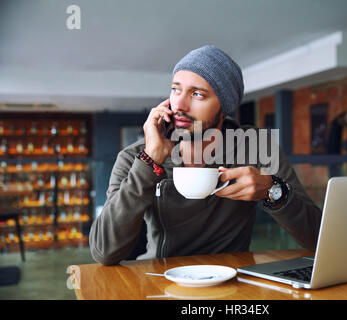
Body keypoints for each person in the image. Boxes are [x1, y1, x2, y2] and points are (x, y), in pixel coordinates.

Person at [89, 45, 322, 265]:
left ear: (224, 105)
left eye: (197, 94)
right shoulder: (136, 157)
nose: (179, 104)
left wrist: (273, 190)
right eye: (175, 89)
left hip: (234, 283)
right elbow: (104, 252)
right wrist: (151, 160)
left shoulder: (256, 147)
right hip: (159, 279)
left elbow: (317, 237)